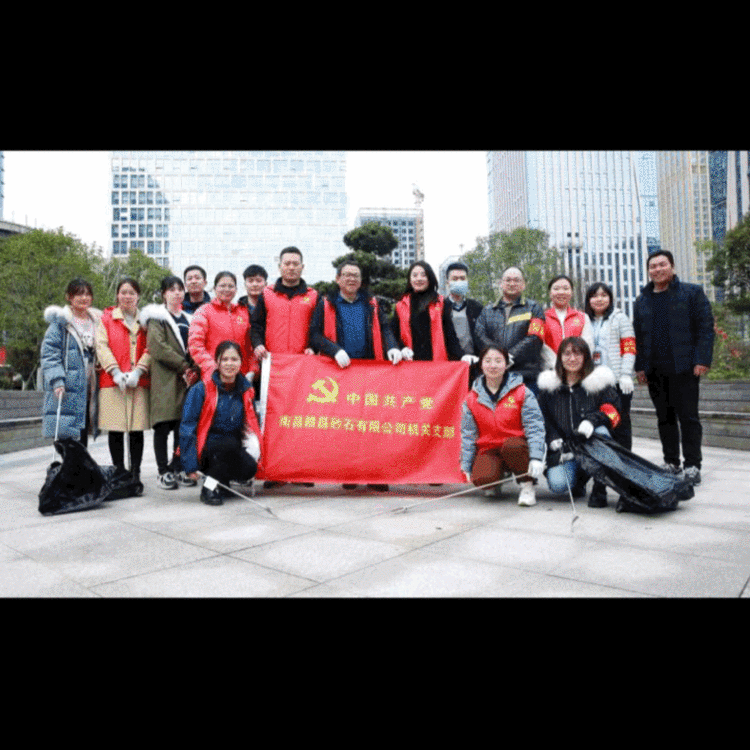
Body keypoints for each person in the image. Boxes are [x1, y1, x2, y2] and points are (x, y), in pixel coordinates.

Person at [308, 260, 402, 493]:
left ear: (361, 280)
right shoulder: (326, 304)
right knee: (347, 426)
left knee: (373, 425)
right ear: (338, 279)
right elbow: (314, 335)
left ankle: (375, 474)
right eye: (347, 275)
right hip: (340, 374)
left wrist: (392, 346)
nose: (352, 279)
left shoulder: (372, 303)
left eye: (356, 275)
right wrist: (334, 350)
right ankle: (349, 473)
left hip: (370, 372)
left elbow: (386, 329)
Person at [633, 250, 714, 486]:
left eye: (662, 265)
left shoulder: (691, 293)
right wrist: (640, 367)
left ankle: (692, 466)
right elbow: (638, 336)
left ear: (672, 267)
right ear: (648, 271)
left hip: (684, 367)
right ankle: (671, 462)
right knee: (664, 418)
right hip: (655, 370)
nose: (657, 269)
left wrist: (702, 359)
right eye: (653, 266)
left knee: (689, 418)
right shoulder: (642, 300)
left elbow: (705, 328)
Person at [536, 337, 622, 508]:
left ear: (586, 357)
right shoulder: (549, 388)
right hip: (566, 450)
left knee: (602, 432)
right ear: (560, 357)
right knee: (558, 484)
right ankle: (579, 481)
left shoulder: (598, 382)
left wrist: (592, 421)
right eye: (567, 354)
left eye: (577, 354)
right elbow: (541, 418)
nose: (572, 358)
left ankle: (599, 488)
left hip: (591, 445)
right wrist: (552, 437)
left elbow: (614, 411)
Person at [460, 346, 546, 506]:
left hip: (516, 446)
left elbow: (535, 426)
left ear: (506, 364)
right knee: (482, 478)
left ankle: (527, 485)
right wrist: (466, 463)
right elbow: (468, 434)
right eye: (488, 361)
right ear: (481, 365)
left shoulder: (522, 392)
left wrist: (536, 457)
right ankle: (499, 477)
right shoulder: (471, 398)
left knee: (512, 446)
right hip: (490, 448)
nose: (493, 365)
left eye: (498, 361)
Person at [180, 341, 262, 506]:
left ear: (241, 362)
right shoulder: (201, 389)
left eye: (234, 359)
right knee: (225, 445)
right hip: (206, 448)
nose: (229, 364)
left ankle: (221, 481)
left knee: (249, 468)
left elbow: (251, 422)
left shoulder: (246, 390)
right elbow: (187, 427)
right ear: (217, 362)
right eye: (225, 359)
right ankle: (209, 488)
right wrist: (189, 465)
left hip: (232, 446)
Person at [141, 276, 200, 490]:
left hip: (186, 381)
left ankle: (178, 466)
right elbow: (158, 347)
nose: (177, 293)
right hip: (165, 380)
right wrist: (184, 366)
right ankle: (163, 470)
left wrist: (194, 367)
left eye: (180, 289)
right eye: (171, 289)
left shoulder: (189, 318)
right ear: (163, 294)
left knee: (181, 426)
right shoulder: (157, 318)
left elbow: (196, 345)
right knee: (163, 426)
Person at [95, 277, 151, 484]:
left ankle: (135, 473)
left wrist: (139, 371)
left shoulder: (146, 321)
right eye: (123, 292)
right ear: (117, 295)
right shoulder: (106, 319)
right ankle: (118, 471)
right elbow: (101, 346)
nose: (127, 296)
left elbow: (151, 347)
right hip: (112, 382)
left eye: (132, 293)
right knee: (115, 429)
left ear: (138, 296)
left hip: (138, 381)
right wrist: (115, 371)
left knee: (136, 429)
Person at [41, 278, 102, 447]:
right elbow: (50, 354)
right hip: (68, 384)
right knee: (67, 435)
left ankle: (80, 463)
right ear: (69, 297)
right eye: (79, 294)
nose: (84, 298)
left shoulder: (98, 321)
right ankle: (70, 464)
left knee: (83, 430)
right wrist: (57, 380)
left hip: (91, 384)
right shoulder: (61, 322)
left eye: (87, 294)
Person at [474, 265, 546, 393]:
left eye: (516, 280)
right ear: (501, 284)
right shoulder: (487, 311)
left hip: (526, 377)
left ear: (523, 285)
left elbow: (535, 337)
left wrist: (510, 356)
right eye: (508, 280)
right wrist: (498, 356)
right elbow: (479, 335)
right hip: (494, 378)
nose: (512, 283)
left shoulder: (534, 308)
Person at [584, 282, 636, 451]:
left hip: (618, 381)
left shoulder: (619, 318)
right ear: (588, 300)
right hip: (593, 383)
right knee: (601, 421)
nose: (599, 299)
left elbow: (629, 348)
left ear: (610, 298)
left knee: (621, 423)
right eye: (594, 296)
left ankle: (625, 461)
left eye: (603, 295)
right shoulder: (585, 320)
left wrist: (625, 374)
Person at [251, 247, 319, 359]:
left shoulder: (313, 296)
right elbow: (256, 325)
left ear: (302, 267)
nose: (291, 267)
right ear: (280, 266)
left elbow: (318, 328)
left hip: (303, 360)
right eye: (287, 264)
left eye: (295, 264)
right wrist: (258, 344)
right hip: (272, 359)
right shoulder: (267, 294)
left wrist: (313, 347)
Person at [391, 260, 466, 362]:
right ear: (410, 279)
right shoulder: (401, 305)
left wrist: (462, 356)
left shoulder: (441, 303)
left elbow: (450, 336)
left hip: (436, 362)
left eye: (423, 275)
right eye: (415, 275)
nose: (419, 279)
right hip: (409, 362)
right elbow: (393, 335)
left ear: (430, 278)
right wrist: (401, 348)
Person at [188, 271, 255, 382]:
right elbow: (195, 345)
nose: (227, 289)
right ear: (215, 289)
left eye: (230, 286)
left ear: (236, 290)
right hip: (213, 376)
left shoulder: (243, 312)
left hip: (241, 377)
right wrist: (213, 368)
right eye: (222, 286)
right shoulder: (204, 311)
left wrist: (253, 370)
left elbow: (251, 346)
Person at [541, 274, 594, 369]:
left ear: (571, 292)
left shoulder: (583, 317)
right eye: (556, 289)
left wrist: (575, 362)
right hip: (550, 370)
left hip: (577, 369)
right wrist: (556, 364)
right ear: (550, 293)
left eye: (566, 288)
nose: (561, 292)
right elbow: (540, 344)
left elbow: (588, 344)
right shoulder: (540, 318)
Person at [445, 262, 484, 358]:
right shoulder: (441, 307)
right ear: (448, 282)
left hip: (475, 359)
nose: (459, 282)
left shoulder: (476, 307)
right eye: (454, 279)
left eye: (462, 279)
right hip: (450, 362)